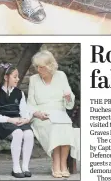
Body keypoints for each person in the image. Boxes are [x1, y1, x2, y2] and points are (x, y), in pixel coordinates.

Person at [27, 50, 77, 178]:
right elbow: (30, 104)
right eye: (37, 67)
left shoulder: (61, 75)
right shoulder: (33, 79)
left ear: (50, 66)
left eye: (42, 67)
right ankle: (56, 163)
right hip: (42, 116)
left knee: (64, 125)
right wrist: (37, 114)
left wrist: (68, 97)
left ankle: (63, 165)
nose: (39, 70)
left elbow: (69, 102)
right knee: (53, 126)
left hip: (60, 113)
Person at [0, 64, 34, 179]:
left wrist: (25, 119)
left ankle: (25, 167)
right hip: (3, 122)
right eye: (15, 76)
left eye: (17, 76)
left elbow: (24, 111)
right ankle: (16, 167)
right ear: (6, 77)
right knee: (18, 133)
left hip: (18, 121)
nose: (18, 79)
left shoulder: (19, 93)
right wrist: (10, 120)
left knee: (29, 134)